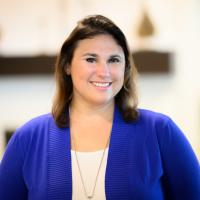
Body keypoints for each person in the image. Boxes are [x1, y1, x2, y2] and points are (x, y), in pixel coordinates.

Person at [0, 14, 199, 200]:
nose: (103, 72)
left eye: (113, 60)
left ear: (125, 68)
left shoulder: (160, 131)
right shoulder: (28, 138)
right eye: (90, 59)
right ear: (67, 66)